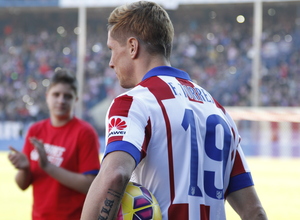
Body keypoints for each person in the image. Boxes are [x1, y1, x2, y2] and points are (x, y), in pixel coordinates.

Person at [81, 1, 267, 220]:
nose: (111, 62)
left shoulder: (133, 102)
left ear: (132, 46)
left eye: (112, 49)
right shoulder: (219, 111)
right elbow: (255, 212)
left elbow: (115, 175)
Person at [8, 68, 101, 220]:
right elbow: (22, 185)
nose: (61, 100)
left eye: (67, 96)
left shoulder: (84, 132)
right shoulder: (35, 131)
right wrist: (24, 169)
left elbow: (90, 186)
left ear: (75, 100)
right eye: (56, 94)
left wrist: (48, 167)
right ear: (47, 97)